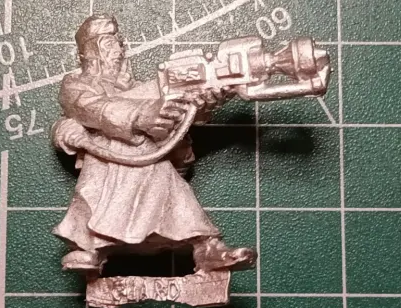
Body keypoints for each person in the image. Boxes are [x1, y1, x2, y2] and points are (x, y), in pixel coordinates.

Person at [52, 14, 255, 275]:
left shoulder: (145, 89)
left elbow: (176, 114)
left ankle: (206, 248)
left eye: (118, 43)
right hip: (105, 160)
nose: (118, 50)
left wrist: (203, 104)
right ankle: (90, 246)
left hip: (150, 155)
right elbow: (90, 107)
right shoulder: (76, 85)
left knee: (164, 178)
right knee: (120, 179)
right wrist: (140, 116)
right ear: (92, 51)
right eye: (108, 44)